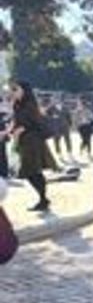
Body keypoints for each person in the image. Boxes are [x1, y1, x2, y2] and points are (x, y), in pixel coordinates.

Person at [7, 80, 56, 212]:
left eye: (15, 89)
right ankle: (43, 199)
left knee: (32, 171)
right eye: (12, 89)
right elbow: (16, 121)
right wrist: (10, 130)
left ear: (24, 90)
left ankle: (43, 199)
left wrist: (20, 129)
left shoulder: (30, 104)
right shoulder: (17, 104)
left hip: (33, 142)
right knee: (31, 172)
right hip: (25, 141)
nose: (13, 92)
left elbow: (33, 122)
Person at [75, 98, 93, 162]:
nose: (81, 106)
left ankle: (88, 152)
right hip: (81, 127)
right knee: (84, 139)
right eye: (81, 105)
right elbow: (75, 120)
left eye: (82, 105)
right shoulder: (78, 112)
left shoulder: (88, 111)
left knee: (88, 139)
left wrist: (92, 124)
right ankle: (82, 149)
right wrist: (77, 126)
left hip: (87, 126)